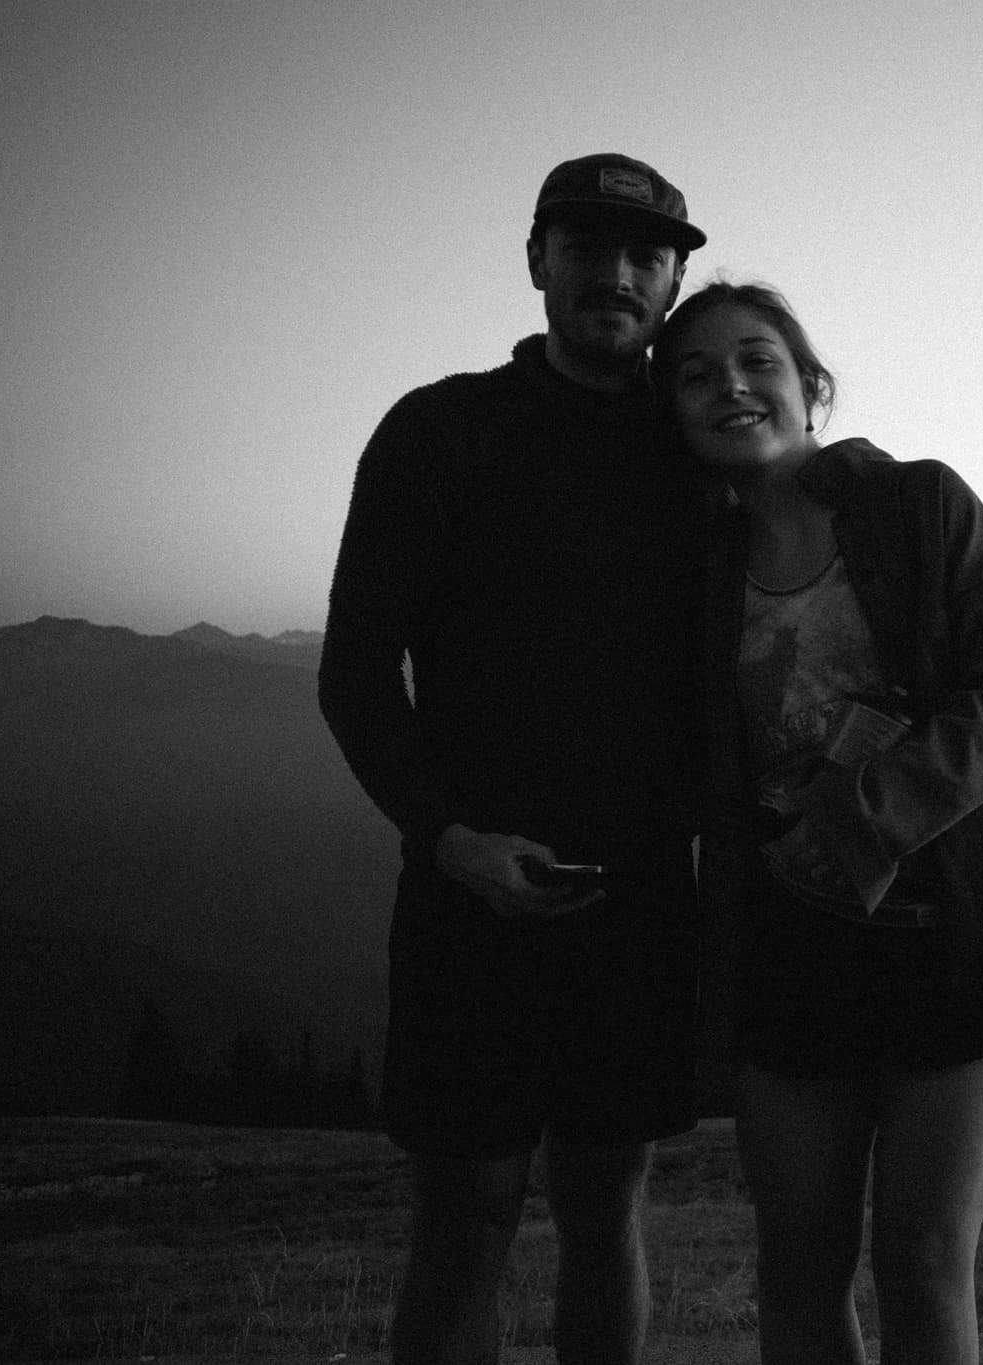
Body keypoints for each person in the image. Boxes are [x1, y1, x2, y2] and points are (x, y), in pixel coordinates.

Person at [318, 152, 707, 1365]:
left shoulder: (700, 449)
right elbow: (355, 670)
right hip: (464, 898)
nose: (617, 273)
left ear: (674, 278)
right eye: (586, 246)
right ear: (535, 261)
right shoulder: (443, 431)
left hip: (639, 902)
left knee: (607, 1207)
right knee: (465, 1218)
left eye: (647, 253)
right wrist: (446, 838)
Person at [660, 280, 983, 1365]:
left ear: (809, 388)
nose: (730, 386)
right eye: (695, 375)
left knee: (921, 1266)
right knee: (797, 1268)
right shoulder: (692, 571)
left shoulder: (918, 507)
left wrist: (866, 822)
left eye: (757, 362)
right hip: (788, 950)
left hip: (955, 936)